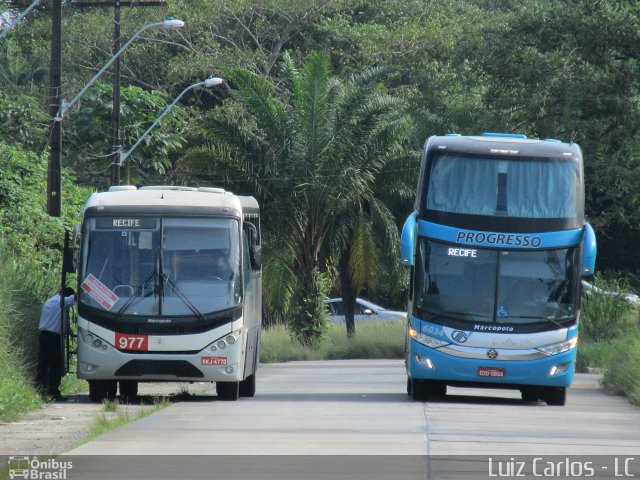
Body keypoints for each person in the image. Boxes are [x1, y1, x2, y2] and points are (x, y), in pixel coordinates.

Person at [36, 287, 75, 401]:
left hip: (43, 335)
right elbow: (77, 296)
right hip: (54, 337)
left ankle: (40, 390)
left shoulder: (50, 301)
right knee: (55, 365)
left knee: (43, 363)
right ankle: (53, 392)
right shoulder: (63, 301)